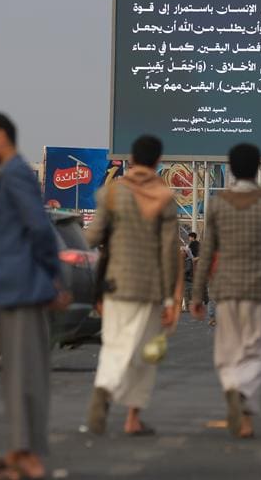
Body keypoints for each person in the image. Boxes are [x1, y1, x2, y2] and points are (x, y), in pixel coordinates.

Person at [0, 112, 71, 480]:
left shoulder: (14, 174)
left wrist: (53, 281)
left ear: (1, 137)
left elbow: (40, 231)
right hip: (8, 289)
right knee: (16, 378)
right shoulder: (3, 176)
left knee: (26, 379)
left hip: (23, 290)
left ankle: (29, 459)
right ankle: (19, 453)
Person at [190, 143, 261, 439]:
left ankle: (236, 397)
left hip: (224, 290)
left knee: (228, 352)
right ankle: (244, 395)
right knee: (259, 350)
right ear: (258, 167)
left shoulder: (218, 203)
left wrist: (197, 295)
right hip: (259, 290)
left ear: (232, 169)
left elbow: (206, 252)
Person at [85, 135, 180, 437]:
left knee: (114, 346)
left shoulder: (112, 193)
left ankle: (103, 390)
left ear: (132, 158)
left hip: (115, 284)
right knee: (143, 355)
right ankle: (132, 419)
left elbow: (93, 237)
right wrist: (170, 299)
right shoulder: (164, 197)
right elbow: (168, 251)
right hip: (149, 288)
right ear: (157, 160)